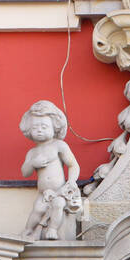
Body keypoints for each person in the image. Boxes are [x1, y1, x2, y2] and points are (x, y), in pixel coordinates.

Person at [19, 100, 82, 241]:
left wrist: (71, 181)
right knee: (37, 210)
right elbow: (25, 172)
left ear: (54, 128)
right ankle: (28, 231)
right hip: (43, 192)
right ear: (29, 130)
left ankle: (52, 229)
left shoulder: (59, 145)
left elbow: (73, 165)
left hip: (60, 191)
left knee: (58, 205)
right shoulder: (32, 152)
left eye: (44, 126)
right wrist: (33, 163)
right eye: (35, 127)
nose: (39, 130)